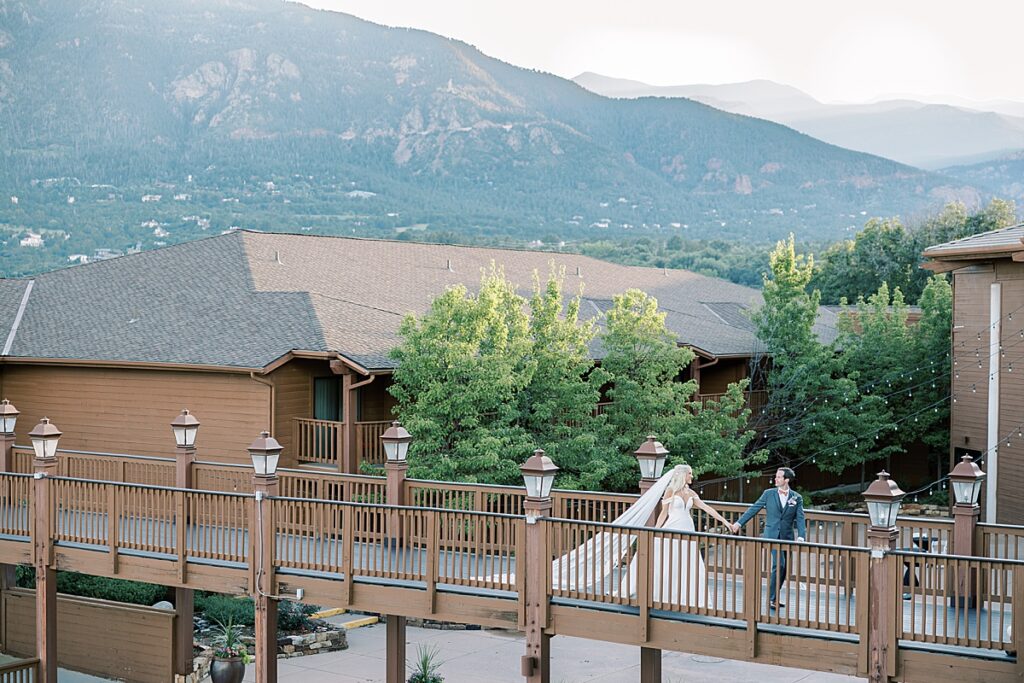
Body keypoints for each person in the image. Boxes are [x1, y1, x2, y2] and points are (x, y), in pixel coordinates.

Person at [620, 464, 733, 606]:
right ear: (682, 475)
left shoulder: (691, 493)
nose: (692, 476)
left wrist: (725, 522)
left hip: (688, 528)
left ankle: (684, 594)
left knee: (686, 561)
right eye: (690, 474)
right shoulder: (670, 491)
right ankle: (658, 591)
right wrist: (655, 530)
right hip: (673, 527)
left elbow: (706, 508)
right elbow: (663, 512)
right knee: (667, 559)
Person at [731, 467, 806, 610]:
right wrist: (738, 523)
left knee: (785, 568)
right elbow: (754, 509)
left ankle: (775, 596)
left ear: (786, 480)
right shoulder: (768, 494)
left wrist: (801, 536)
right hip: (772, 535)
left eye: (779, 477)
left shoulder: (797, 498)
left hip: (787, 537)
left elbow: (801, 518)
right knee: (780, 565)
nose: (775, 479)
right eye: (776, 477)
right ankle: (772, 599)